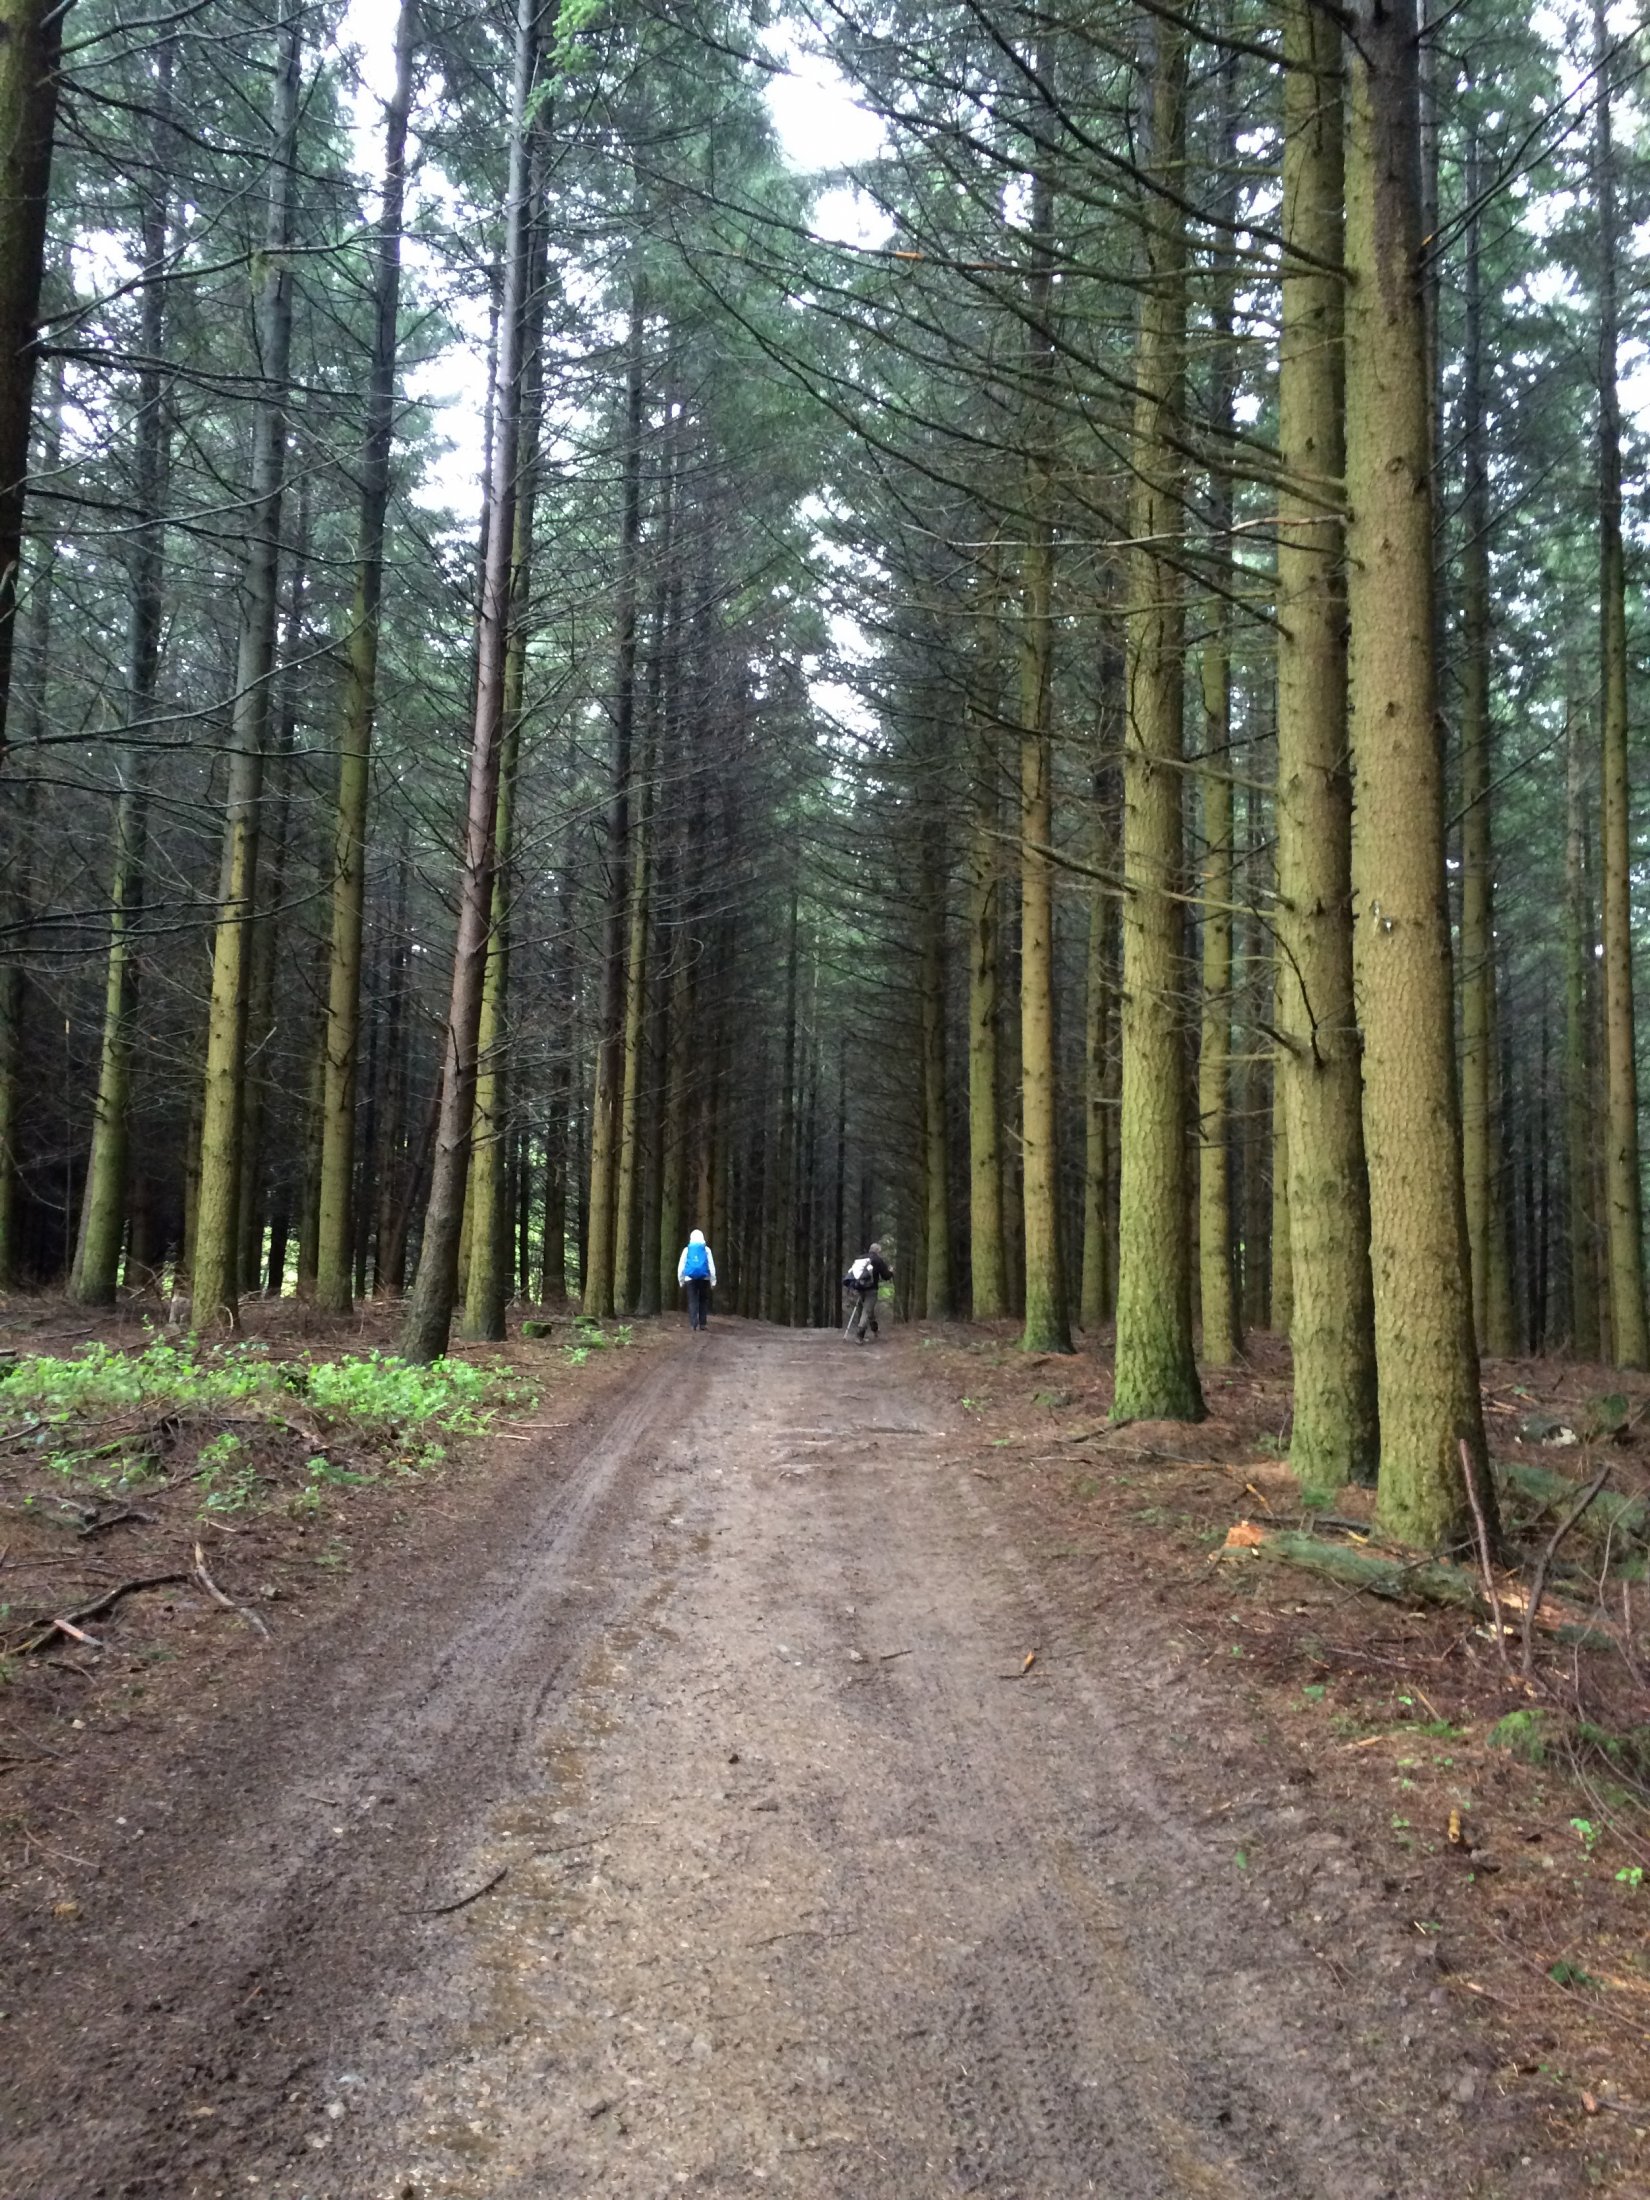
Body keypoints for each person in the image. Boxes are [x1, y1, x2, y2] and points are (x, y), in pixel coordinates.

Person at [841, 1240, 893, 1342]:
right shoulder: (878, 1260)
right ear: (878, 1251)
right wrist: (891, 1272)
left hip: (859, 1288)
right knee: (866, 1311)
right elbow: (885, 1276)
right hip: (871, 1289)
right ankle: (859, 1335)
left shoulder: (861, 1258)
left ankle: (875, 1329)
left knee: (866, 1310)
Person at [677, 1228, 717, 1330]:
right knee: (703, 1300)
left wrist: (681, 1280)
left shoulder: (687, 1250)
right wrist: (713, 1281)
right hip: (704, 1278)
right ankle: (703, 1323)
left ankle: (693, 1323)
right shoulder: (706, 1250)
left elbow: (681, 1266)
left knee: (692, 1300)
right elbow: (711, 1266)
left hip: (690, 1278)